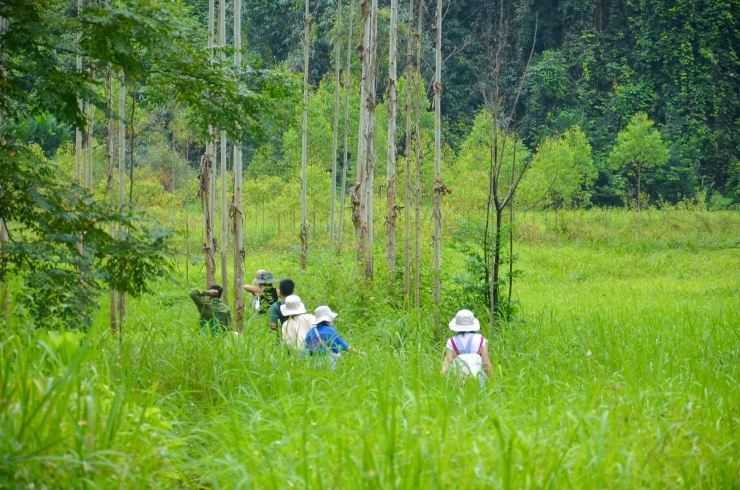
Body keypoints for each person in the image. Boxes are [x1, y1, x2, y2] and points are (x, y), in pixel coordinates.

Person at [441, 309, 494, 386]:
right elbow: (486, 363)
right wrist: (494, 381)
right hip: (478, 381)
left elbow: (448, 361)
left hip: (460, 380)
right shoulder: (480, 339)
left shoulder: (451, 341)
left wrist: (441, 377)